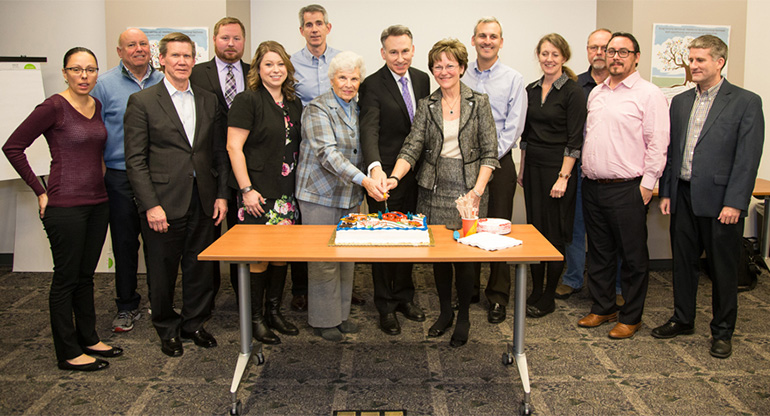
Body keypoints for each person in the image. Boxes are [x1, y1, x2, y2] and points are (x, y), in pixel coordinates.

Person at [3, 47, 122, 371]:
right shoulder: (53, 106)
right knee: (66, 279)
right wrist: (39, 190)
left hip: (97, 202)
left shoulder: (95, 105)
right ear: (65, 72)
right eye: (77, 69)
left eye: (91, 69)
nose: (84, 76)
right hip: (65, 205)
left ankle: (89, 338)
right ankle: (68, 351)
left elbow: (94, 150)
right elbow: (12, 146)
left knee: (86, 276)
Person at [652, 35, 764, 359]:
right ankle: (683, 318)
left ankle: (723, 331)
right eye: (691, 59)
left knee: (723, 269)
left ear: (720, 62)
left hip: (721, 201)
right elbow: (674, 152)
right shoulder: (682, 101)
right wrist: (668, 192)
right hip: (683, 195)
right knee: (683, 264)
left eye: (700, 60)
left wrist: (736, 202)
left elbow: (747, 158)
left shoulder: (745, 101)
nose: (693, 65)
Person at [388, 39, 499, 347]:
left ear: (462, 67)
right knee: (439, 258)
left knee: (464, 260)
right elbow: (411, 146)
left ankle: (463, 316)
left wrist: (476, 192)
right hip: (433, 191)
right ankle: (445, 313)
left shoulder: (480, 102)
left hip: (469, 192)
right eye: (438, 65)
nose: (444, 70)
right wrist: (395, 177)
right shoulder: (428, 105)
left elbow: (491, 153)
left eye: (451, 65)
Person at [124, 32, 229, 357]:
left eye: (188, 56)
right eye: (176, 56)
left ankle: (194, 323)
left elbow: (218, 153)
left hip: (203, 199)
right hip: (163, 203)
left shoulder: (208, 99)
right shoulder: (142, 102)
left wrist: (222, 195)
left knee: (199, 268)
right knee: (162, 270)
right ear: (162, 60)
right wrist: (150, 205)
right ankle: (167, 328)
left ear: (194, 61)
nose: (182, 62)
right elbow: (135, 160)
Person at [578, 32, 669, 339]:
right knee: (600, 253)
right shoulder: (597, 92)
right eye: (610, 51)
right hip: (592, 185)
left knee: (632, 258)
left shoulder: (649, 94)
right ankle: (603, 307)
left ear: (636, 56)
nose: (615, 57)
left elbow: (658, 143)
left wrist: (647, 185)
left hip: (628, 188)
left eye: (622, 52)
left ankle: (632, 316)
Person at [295, 51, 385, 342]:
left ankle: (341, 315)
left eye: (354, 78)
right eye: (343, 77)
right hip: (319, 195)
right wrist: (365, 180)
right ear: (332, 79)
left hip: (349, 195)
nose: (348, 84)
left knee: (346, 257)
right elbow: (327, 154)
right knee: (323, 259)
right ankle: (323, 320)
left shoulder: (357, 108)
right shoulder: (317, 108)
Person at [226, 41, 301, 345]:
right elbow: (234, 147)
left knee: (280, 257)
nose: (275, 70)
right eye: (268, 64)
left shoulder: (293, 102)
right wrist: (246, 189)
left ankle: (274, 312)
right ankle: (255, 318)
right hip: (256, 194)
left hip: (286, 193)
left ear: (287, 68)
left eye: (280, 64)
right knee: (258, 259)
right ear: (258, 68)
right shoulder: (247, 100)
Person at [91, 28, 164, 333]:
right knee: (124, 243)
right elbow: (92, 133)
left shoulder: (164, 80)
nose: (138, 49)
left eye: (143, 44)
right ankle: (126, 305)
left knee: (159, 244)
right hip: (119, 176)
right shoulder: (104, 85)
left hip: (157, 177)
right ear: (119, 52)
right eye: (131, 45)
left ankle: (162, 303)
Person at [359, 24, 429, 336]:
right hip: (386, 177)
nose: (400, 58)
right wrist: (375, 169)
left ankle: (404, 296)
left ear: (413, 50)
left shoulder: (422, 79)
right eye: (393, 52)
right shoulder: (372, 84)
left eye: (405, 51)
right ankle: (385, 304)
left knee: (410, 238)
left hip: (417, 176)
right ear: (383, 53)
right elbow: (369, 129)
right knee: (384, 240)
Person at [463, 17, 527, 324]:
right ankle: (469, 288)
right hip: (464, 165)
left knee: (499, 227)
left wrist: (486, 159)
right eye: (482, 36)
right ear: (473, 40)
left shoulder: (514, 79)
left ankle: (498, 295)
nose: (488, 41)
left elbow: (513, 129)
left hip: (499, 165)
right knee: (468, 224)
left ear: (501, 42)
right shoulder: (460, 76)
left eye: (494, 36)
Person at [519, 33, 586, 318]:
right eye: (545, 54)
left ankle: (548, 295)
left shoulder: (573, 91)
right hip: (533, 167)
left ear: (564, 58)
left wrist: (564, 177)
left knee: (555, 232)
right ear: (538, 56)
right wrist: (522, 168)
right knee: (535, 231)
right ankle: (535, 289)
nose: (549, 59)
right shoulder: (531, 89)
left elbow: (575, 140)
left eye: (555, 55)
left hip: (559, 171)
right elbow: (525, 136)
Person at [190, 17, 249, 304]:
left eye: (237, 38)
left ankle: (245, 298)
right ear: (214, 40)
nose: (231, 43)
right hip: (209, 167)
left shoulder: (255, 73)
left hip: (247, 168)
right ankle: (207, 297)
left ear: (243, 42)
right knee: (208, 235)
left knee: (245, 236)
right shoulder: (196, 73)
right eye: (225, 37)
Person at [288, 4, 343, 312]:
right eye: (308, 24)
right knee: (306, 225)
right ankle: (301, 289)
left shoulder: (341, 60)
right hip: (306, 152)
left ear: (328, 27)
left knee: (340, 222)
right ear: (302, 30)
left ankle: (337, 288)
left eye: (319, 23)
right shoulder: (291, 64)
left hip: (341, 152)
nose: (314, 29)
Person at [557, 28, 613, 301]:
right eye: (593, 47)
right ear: (587, 51)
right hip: (578, 168)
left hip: (612, 172)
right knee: (575, 225)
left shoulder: (622, 86)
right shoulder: (574, 85)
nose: (599, 53)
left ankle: (615, 288)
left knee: (609, 232)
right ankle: (573, 278)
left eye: (605, 47)